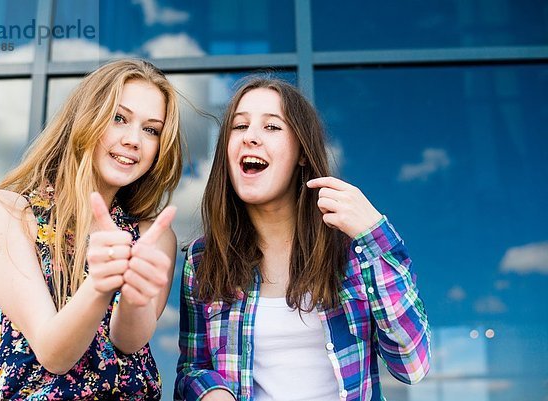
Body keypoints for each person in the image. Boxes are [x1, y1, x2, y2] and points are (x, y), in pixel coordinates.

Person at [175, 77, 431, 401]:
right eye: (239, 127)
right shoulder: (203, 259)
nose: (250, 137)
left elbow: (412, 365)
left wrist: (375, 236)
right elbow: (191, 368)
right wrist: (211, 391)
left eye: (271, 127)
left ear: (302, 153)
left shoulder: (353, 250)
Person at [0, 59, 182, 400]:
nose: (133, 140)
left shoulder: (152, 234)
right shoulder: (5, 212)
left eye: (151, 129)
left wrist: (136, 295)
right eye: (119, 118)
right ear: (85, 118)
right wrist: (100, 285)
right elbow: (54, 353)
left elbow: (128, 342)